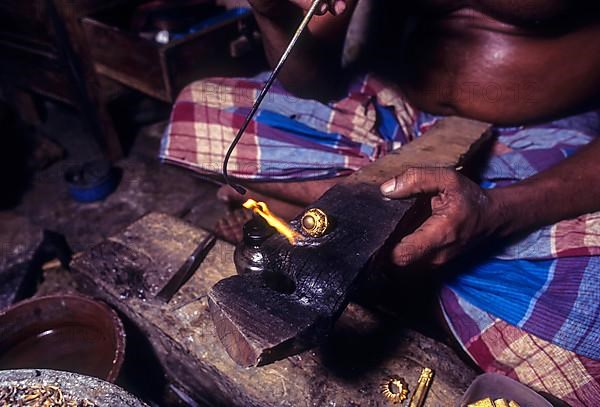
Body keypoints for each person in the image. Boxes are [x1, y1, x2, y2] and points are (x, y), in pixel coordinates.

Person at [161, 1, 600, 404]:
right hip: (402, 111)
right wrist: (275, 13)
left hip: (549, 137)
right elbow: (310, 79)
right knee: (200, 112)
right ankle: (402, 242)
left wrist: (501, 211)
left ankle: (364, 234)